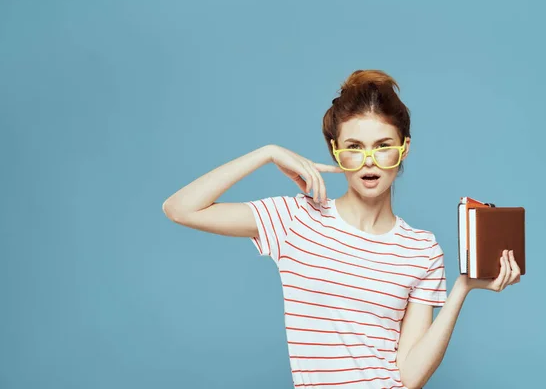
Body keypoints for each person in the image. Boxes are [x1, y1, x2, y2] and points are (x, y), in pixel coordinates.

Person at [162, 69, 521, 389]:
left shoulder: (421, 249)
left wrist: (462, 289)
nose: (369, 162)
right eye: (354, 147)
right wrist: (267, 153)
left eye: (383, 147)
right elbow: (180, 208)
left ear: (403, 149)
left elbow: (409, 377)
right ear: (336, 152)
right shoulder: (295, 220)